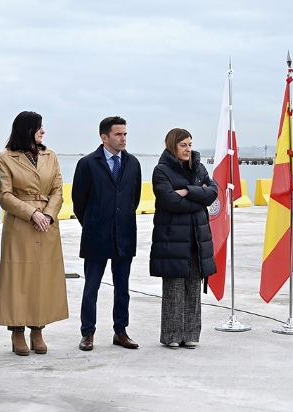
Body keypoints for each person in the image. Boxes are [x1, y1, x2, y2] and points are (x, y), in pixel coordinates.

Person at [0, 111, 68, 355]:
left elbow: (58, 190)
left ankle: (38, 330)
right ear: (26, 130)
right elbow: (5, 195)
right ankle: (17, 332)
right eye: (38, 128)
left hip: (47, 224)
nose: (43, 131)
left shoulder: (50, 155)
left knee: (43, 280)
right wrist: (31, 213)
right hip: (20, 226)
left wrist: (47, 214)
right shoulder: (5, 157)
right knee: (18, 280)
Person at [72, 116, 141, 351]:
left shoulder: (132, 163)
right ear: (104, 137)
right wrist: (93, 223)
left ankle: (120, 331)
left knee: (123, 287)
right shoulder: (88, 163)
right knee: (92, 287)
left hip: (124, 235)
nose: (123, 139)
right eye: (118, 134)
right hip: (96, 235)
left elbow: (134, 198)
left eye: (125, 134)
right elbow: (78, 202)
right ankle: (87, 333)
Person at [149, 128, 218, 349]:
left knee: (193, 289)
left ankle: (190, 335)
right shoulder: (161, 171)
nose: (188, 149)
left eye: (190, 144)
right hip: (172, 239)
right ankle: (171, 335)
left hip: (197, 238)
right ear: (172, 145)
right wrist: (199, 193)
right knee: (174, 290)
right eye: (183, 145)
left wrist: (187, 191)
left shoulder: (199, 167)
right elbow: (170, 201)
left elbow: (213, 193)